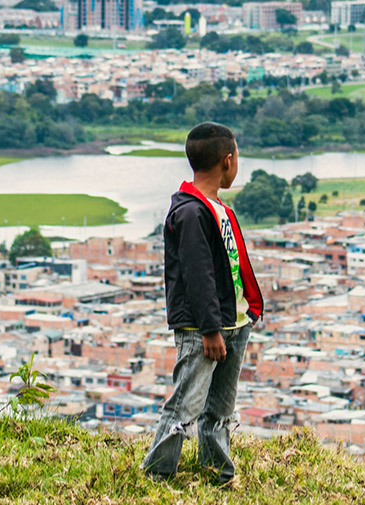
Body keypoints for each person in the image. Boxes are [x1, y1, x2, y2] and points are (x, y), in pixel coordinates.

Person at [142, 122, 264, 483]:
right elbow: (198, 276)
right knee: (186, 405)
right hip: (204, 328)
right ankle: (157, 474)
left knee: (221, 407)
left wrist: (247, 311)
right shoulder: (191, 212)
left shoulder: (215, 208)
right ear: (228, 160)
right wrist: (210, 329)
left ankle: (217, 470)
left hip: (234, 320)